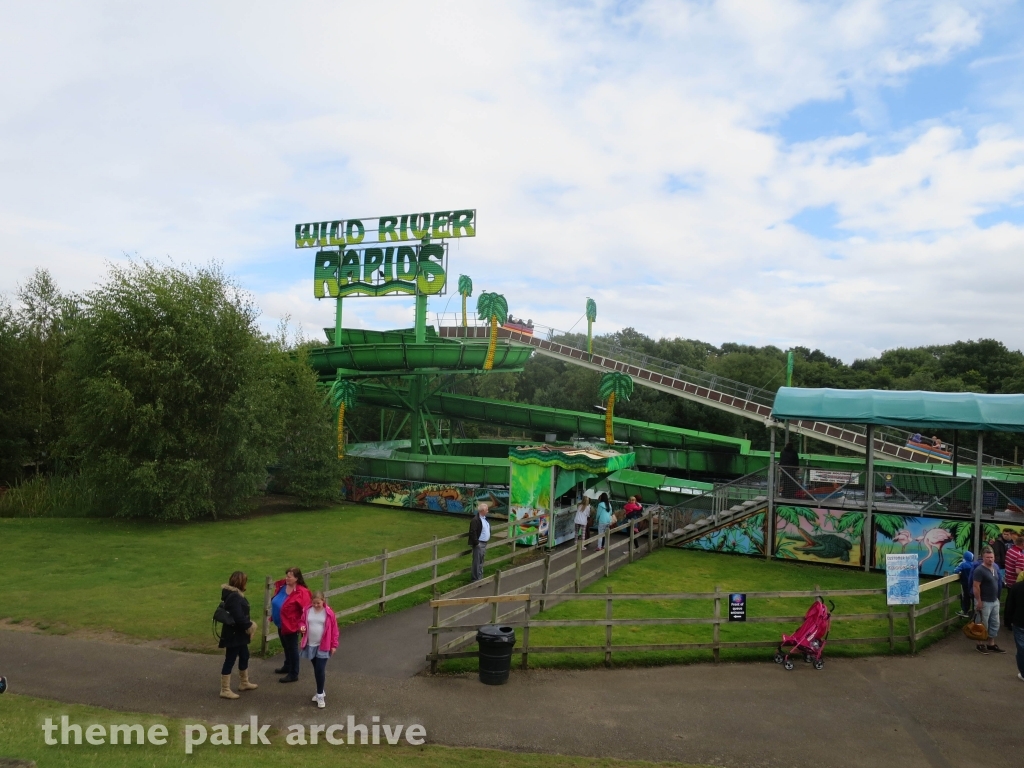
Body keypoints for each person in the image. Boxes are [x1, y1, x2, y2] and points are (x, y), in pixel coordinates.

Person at [218, 571, 258, 699]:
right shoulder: (235, 597)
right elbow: (239, 617)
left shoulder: (233, 595)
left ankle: (244, 683)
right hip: (235, 634)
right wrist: (250, 627)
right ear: (241, 582)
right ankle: (225, 689)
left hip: (238, 634)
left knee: (244, 655)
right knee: (230, 659)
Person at [299, 591, 338, 709]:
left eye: (318, 603)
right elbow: (301, 621)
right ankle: (320, 690)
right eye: (314, 603)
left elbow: (335, 630)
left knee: (320, 669)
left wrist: (334, 645)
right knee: (317, 669)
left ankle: (320, 694)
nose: (316, 605)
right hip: (310, 645)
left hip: (323, 645)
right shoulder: (307, 610)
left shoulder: (329, 613)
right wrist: (301, 626)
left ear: (323, 601)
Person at [271, 567, 311, 683]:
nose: (287, 578)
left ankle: (294, 673)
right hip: (281, 623)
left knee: (292, 648)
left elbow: (306, 610)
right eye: (286, 576)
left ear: (297, 578)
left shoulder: (302, 592)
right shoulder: (283, 586)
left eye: (290, 576)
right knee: (286, 646)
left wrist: (302, 627)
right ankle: (287, 665)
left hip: (291, 626)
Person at [972, 546, 1006, 654]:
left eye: (991, 557)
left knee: (995, 623)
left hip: (994, 600)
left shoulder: (995, 568)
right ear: (983, 558)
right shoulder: (979, 570)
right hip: (984, 601)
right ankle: (979, 644)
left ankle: (991, 644)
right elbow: (976, 586)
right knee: (982, 624)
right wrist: (979, 601)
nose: (990, 559)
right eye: (987, 557)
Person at [1003, 570, 1024, 681]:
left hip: (1019, 621)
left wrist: (1008, 620)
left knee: (1021, 648)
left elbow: (1010, 605)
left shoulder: (1016, 588)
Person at [468, 502, 491, 581]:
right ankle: (475, 579)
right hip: (479, 543)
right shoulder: (475, 520)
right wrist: (476, 543)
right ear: (483, 510)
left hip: (484, 543)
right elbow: (472, 532)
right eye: (486, 510)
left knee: (481, 561)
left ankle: (480, 577)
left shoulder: (484, 519)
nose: (487, 511)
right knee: (477, 562)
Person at [953, 551, 975, 617]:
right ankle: (974, 612)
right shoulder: (973, 564)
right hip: (972, 584)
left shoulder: (963, 564)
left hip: (965, 584)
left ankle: (964, 611)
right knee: (973, 597)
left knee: (965, 597)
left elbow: (955, 570)